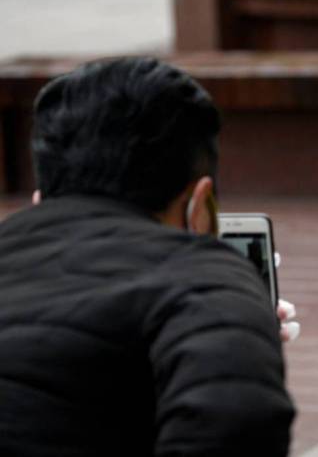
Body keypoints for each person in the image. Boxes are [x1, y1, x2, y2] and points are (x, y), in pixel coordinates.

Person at [0, 57, 295, 456]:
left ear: (40, 200)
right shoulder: (206, 277)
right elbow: (240, 425)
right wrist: (238, 327)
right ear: (200, 206)